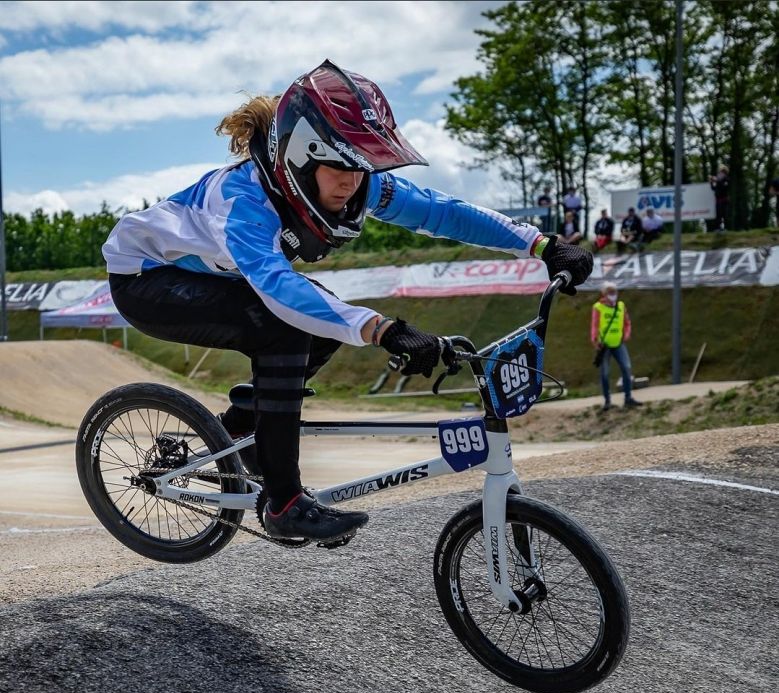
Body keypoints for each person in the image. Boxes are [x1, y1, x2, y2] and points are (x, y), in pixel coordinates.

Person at [102, 60, 594, 544]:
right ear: (299, 157)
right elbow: (280, 290)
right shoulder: (243, 201)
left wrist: (541, 244)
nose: (351, 181)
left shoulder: (360, 181)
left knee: (321, 325)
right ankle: (284, 504)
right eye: (338, 166)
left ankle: (246, 434)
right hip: (147, 278)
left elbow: (442, 213)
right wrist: (382, 328)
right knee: (289, 326)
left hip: (212, 274)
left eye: (360, 166)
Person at [591, 282, 642, 411]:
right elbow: (595, 325)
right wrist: (595, 340)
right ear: (604, 294)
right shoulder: (598, 307)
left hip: (619, 343)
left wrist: (626, 334)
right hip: (604, 345)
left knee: (626, 368)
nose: (613, 295)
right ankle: (607, 401)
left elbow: (627, 322)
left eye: (614, 292)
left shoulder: (621, 306)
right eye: (610, 292)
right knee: (605, 373)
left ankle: (628, 398)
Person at [709, 165, 729, 231]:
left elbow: (724, 187)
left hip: (724, 200)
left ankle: (725, 228)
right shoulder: (718, 181)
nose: (719, 174)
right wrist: (711, 182)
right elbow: (713, 188)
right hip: (718, 200)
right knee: (718, 215)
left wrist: (717, 180)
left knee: (724, 215)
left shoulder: (726, 180)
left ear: (724, 174)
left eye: (720, 173)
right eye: (719, 173)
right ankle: (718, 228)